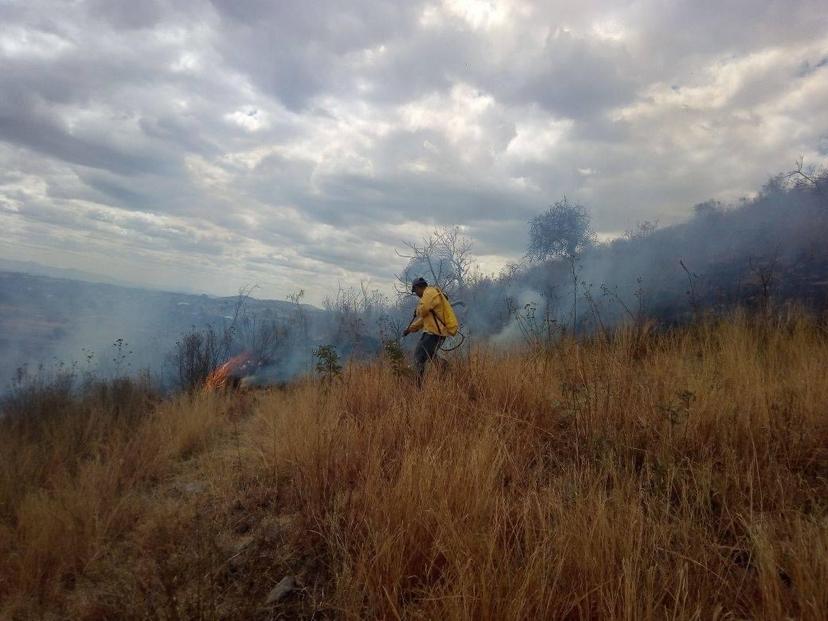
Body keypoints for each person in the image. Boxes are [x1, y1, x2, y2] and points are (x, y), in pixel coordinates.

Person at [402, 277, 458, 382]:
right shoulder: (430, 298)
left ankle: (417, 387)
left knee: (419, 356)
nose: (416, 295)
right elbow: (424, 320)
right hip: (438, 334)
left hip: (433, 334)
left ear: (418, 287)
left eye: (415, 291)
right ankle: (444, 367)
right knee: (430, 355)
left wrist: (417, 309)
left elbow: (422, 311)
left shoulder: (430, 292)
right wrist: (410, 329)